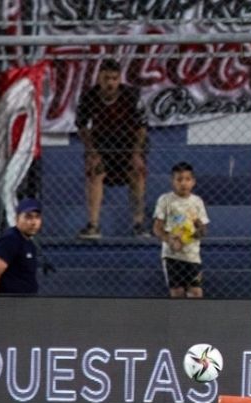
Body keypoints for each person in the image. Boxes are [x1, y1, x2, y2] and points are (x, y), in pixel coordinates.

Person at [75, 58, 148, 239]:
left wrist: (137, 154)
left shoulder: (132, 96)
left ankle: (138, 224)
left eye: (114, 79)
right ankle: (93, 226)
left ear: (119, 79)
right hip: (102, 144)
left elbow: (142, 128)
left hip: (128, 143)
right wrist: (92, 153)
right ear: (99, 77)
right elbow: (82, 127)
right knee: (95, 172)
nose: (110, 83)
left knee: (137, 173)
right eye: (106, 78)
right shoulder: (89, 97)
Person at [152, 162, 209, 298]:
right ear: (172, 181)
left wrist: (196, 230)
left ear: (193, 182)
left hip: (192, 256)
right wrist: (170, 240)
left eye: (187, 179)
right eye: (179, 179)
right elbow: (157, 228)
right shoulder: (165, 200)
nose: (183, 183)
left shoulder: (197, 202)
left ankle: (194, 319)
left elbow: (203, 229)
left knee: (196, 293)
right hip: (172, 256)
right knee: (177, 294)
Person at [0, 198, 43, 294]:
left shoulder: (29, 243)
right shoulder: (10, 240)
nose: (33, 222)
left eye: (37, 217)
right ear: (17, 218)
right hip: (10, 305)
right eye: (28, 217)